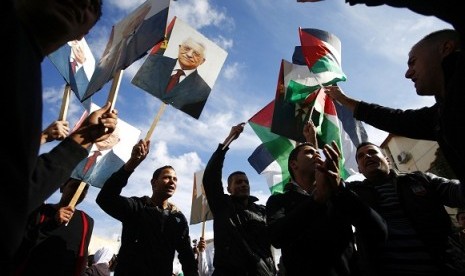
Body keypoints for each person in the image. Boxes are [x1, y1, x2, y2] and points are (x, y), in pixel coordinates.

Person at [2, 0, 116, 270]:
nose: (83, 3)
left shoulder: (27, 70)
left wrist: (84, 137)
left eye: (92, 5)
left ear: (81, 34)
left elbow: (13, 193)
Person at [313, 0, 465, 185]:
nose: (408, 73)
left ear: (446, 48)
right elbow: (394, 119)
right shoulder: (438, 118)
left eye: (413, 62)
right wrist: (344, 100)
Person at [266, 125, 387, 276]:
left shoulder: (340, 193)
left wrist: (339, 189)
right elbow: (277, 237)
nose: (317, 155)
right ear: (293, 164)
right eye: (310, 153)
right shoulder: (278, 201)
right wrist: (316, 201)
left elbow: (378, 229)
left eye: (318, 152)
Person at [346, 141, 465, 275]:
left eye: (372, 152)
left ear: (387, 160)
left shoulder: (419, 180)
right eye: (361, 156)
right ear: (359, 169)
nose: (367, 156)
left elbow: (456, 191)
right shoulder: (353, 193)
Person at [96, 139, 198, 276]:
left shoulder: (178, 219)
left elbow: (187, 256)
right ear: (154, 183)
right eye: (167, 177)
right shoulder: (137, 207)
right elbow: (105, 198)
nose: (172, 182)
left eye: (175, 179)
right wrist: (131, 164)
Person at [202, 123, 277, 276]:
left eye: (246, 182)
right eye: (238, 182)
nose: (243, 185)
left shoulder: (263, 211)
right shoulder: (223, 206)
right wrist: (228, 140)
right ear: (228, 189)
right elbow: (210, 177)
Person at [13, 178, 94, 275]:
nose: (79, 191)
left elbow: (82, 256)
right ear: (62, 187)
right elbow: (23, 244)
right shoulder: (40, 211)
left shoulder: (87, 221)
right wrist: (52, 223)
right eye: (75, 186)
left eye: (85, 188)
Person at [132, 37, 211, 119]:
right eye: (187, 49)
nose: (189, 55)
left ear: (202, 61)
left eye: (196, 54)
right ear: (180, 48)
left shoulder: (204, 92)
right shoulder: (153, 63)